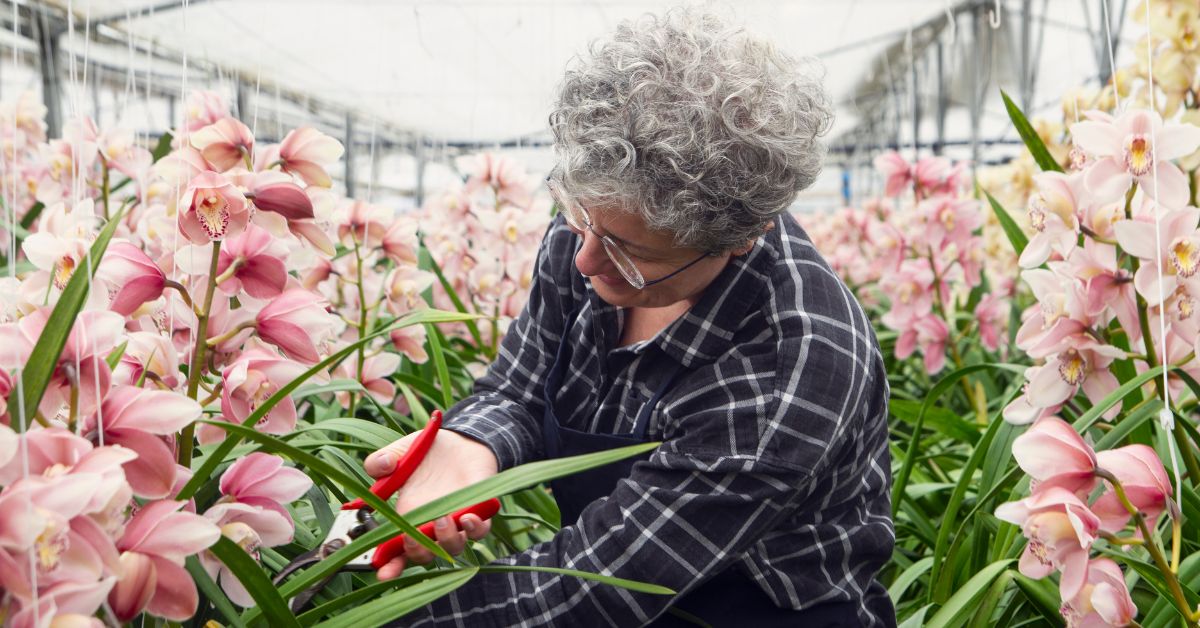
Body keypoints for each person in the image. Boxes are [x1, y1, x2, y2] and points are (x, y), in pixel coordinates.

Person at [367, 7, 895, 626]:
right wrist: (470, 442)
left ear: (740, 237)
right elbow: (520, 386)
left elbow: (598, 586)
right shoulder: (602, 218)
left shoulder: (791, 366)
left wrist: (378, 616)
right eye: (580, 218)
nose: (585, 260)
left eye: (631, 254)